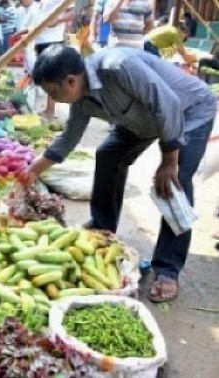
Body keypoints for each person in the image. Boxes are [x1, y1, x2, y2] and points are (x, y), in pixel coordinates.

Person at [19, 45, 215, 303]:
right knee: (108, 155)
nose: (51, 98)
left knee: (173, 183)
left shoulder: (118, 67)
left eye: (52, 92)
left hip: (189, 111)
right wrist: (33, 170)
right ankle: (103, 224)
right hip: (142, 120)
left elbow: (168, 104)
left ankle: (167, 269)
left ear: (70, 81)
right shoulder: (80, 97)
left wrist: (169, 160)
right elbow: (70, 136)